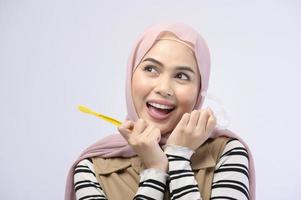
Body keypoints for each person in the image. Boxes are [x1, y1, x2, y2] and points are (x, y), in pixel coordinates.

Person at [65, 22, 255, 200]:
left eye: (181, 76)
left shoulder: (226, 152)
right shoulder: (92, 169)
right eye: (151, 69)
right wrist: (155, 170)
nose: (164, 88)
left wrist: (178, 156)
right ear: (130, 76)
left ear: (200, 89)